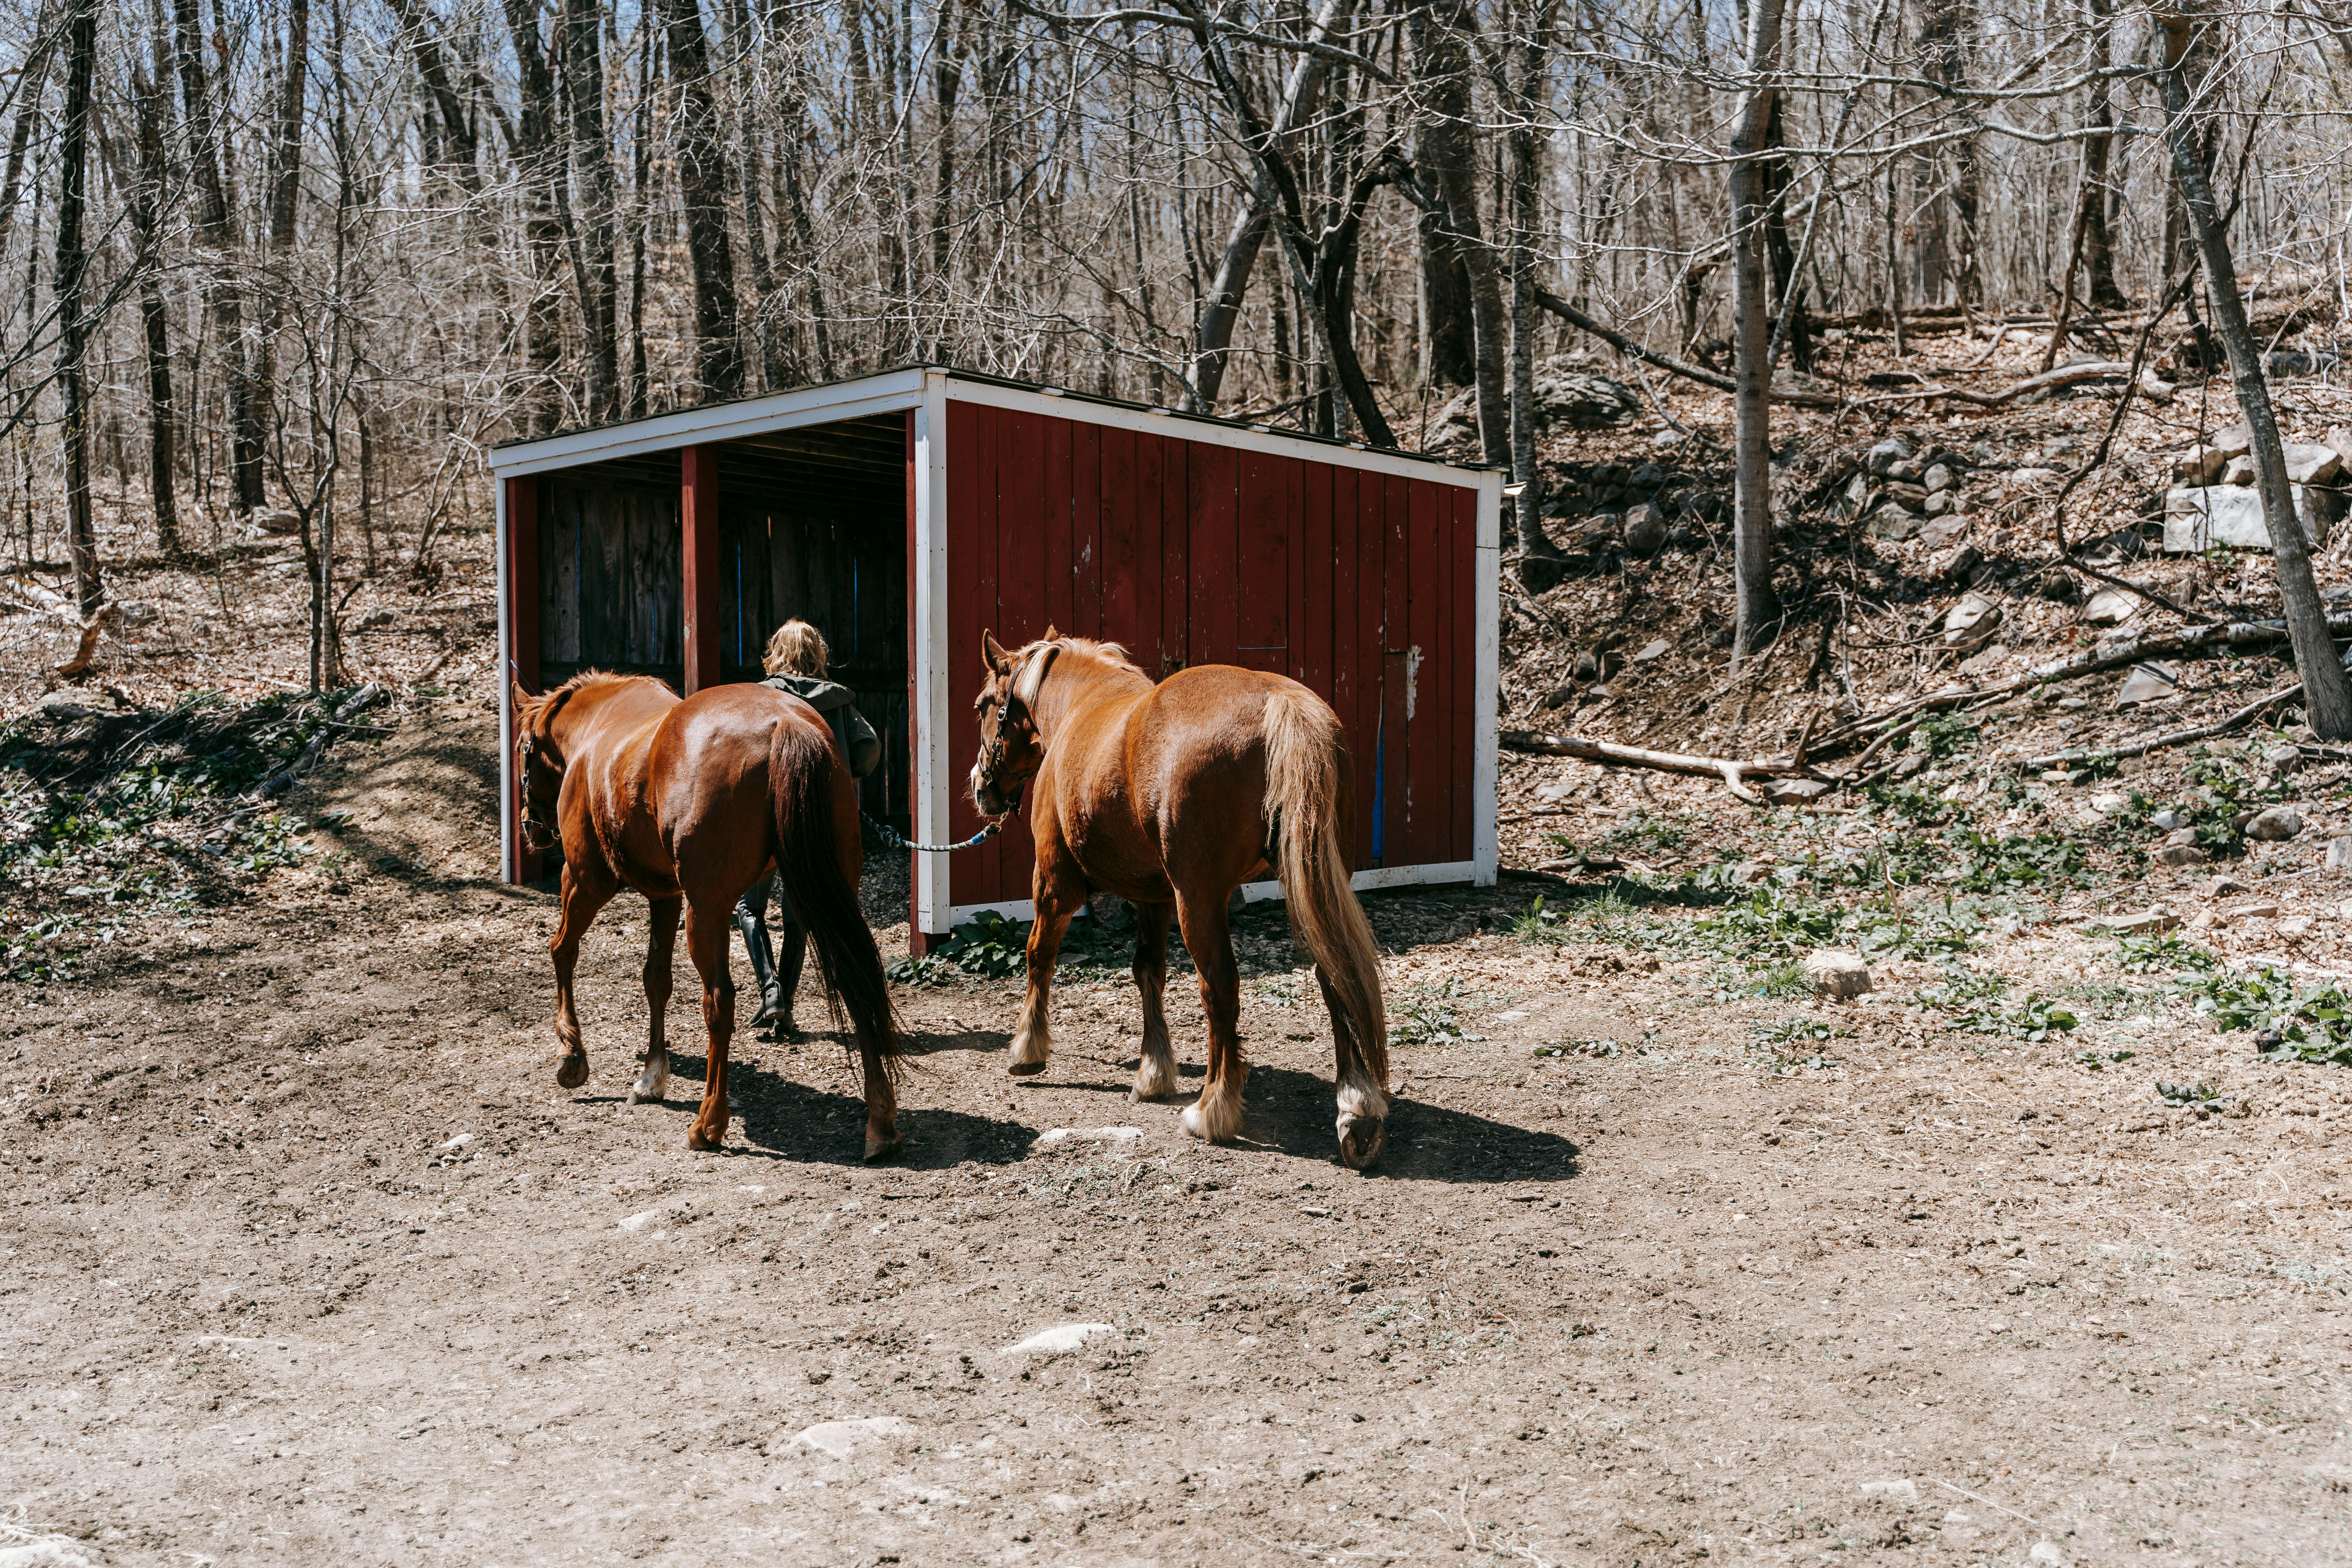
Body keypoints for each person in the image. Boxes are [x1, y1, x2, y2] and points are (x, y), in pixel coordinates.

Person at [738, 619, 882, 1033]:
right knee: (798, 910)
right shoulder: (837, 703)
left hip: (764, 818)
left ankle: (771, 992)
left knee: (751, 906)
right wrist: (843, 776)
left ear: (776, 654)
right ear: (818, 655)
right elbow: (868, 747)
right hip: (814, 821)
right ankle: (786, 1000)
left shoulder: (760, 700)